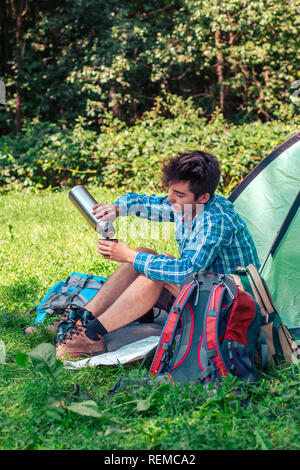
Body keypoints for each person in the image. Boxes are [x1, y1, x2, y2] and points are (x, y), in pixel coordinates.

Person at [55, 150, 260, 359]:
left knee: (154, 271)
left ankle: (92, 335)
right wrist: (116, 208)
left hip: (228, 308)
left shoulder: (215, 221)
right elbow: (150, 204)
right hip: (208, 290)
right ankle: (78, 320)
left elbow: (187, 271)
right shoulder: (188, 204)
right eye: (171, 190)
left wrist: (129, 256)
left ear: (204, 197)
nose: (170, 199)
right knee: (144, 254)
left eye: (179, 194)